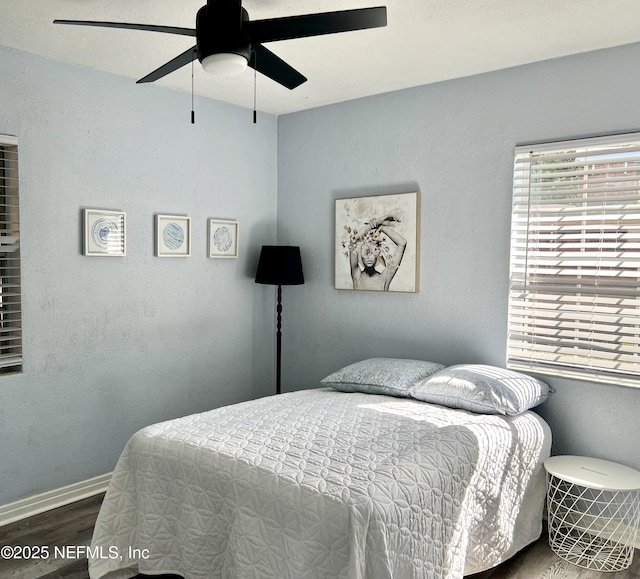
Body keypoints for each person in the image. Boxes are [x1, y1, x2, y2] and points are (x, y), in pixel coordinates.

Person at [349, 216, 407, 291]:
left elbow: (402, 243)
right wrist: (374, 223)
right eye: (366, 252)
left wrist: (381, 227)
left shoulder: (385, 277)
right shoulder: (357, 275)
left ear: (377, 254)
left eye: (372, 252)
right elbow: (354, 240)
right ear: (361, 255)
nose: (369, 257)